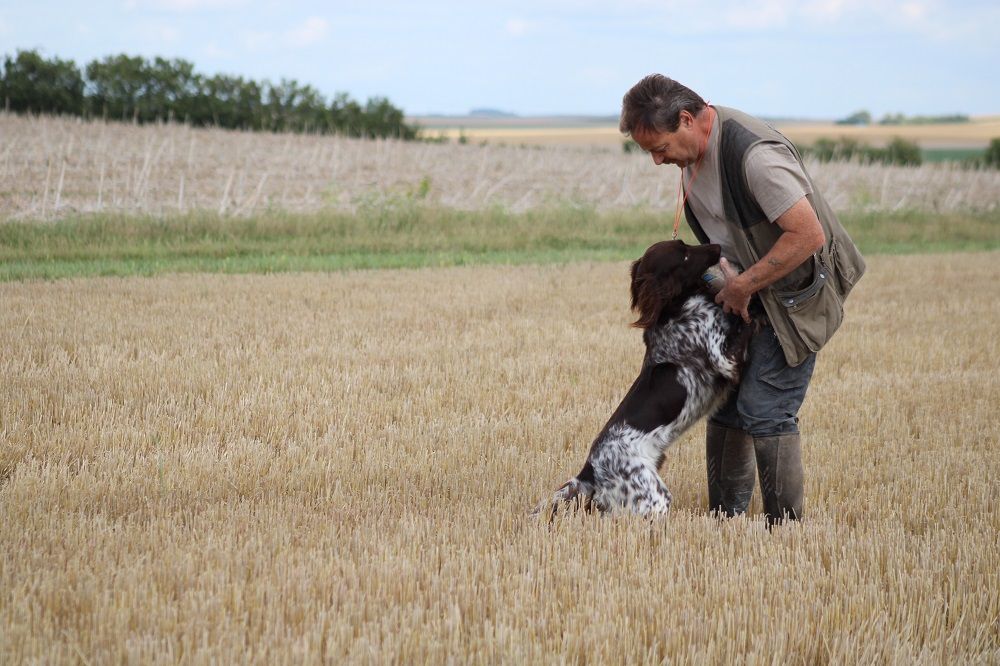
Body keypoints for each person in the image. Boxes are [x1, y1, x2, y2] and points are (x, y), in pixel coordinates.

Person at [619, 74, 866, 526]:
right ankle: (726, 521)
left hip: (796, 298)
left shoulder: (755, 159)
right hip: (750, 294)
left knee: (766, 409)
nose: (656, 161)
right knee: (729, 405)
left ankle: (784, 527)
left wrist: (742, 286)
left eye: (659, 147)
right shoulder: (691, 159)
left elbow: (807, 235)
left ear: (687, 120)